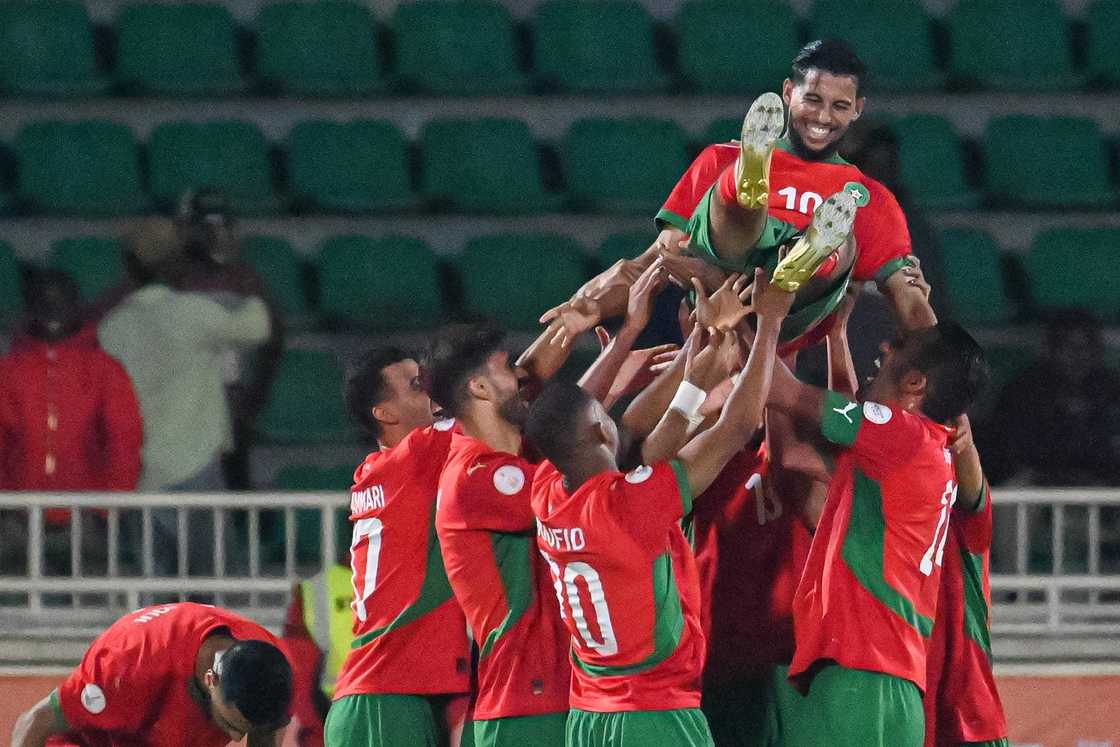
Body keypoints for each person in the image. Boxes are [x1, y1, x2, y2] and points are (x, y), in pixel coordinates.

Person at [524, 267, 795, 747]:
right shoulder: (630, 506)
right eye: (600, 415)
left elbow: (642, 437)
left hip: (589, 717)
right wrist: (769, 323)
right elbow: (736, 427)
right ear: (597, 432)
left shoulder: (549, 490)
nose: (611, 417)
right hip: (652, 719)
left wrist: (701, 349)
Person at [548, 38, 935, 349]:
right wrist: (592, 306)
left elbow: (911, 301)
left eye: (839, 106)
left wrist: (943, 382)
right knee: (732, 203)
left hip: (790, 315)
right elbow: (655, 261)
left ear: (858, 110)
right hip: (718, 306)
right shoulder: (719, 158)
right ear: (788, 92)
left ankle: (796, 258)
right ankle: (750, 188)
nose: (822, 117)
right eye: (813, 99)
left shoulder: (870, 197)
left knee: (842, 237)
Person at [763, 321, 989, 746]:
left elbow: (783, 392)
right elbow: (794, 451)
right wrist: (835, 333)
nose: (886, 344)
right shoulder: (924, 454)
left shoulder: (900, 436)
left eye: (900, 344)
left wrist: (766, 320)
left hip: (856, 675)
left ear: (916, 382)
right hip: (898, 686)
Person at [426, 323, 573, 746]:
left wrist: (607, 337)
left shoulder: (505, 455)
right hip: (525, 703)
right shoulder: (478, 477)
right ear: (480, 388)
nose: (521, 376)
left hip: (545, 697)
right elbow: (582, 476)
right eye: (507, 368)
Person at [324, 347, 471, 747]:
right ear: (385, 414)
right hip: (385, 701)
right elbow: (499, 401)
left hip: (390, 692)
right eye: (416, 386)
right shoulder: (417, 456)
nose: (433, 391)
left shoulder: (381, 471)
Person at [0, 269, 142, 578]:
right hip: (16, 516)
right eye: (44, 304)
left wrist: (108, 507)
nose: (53, 312)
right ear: (30, 310)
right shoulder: (9, 370)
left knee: (91, 616)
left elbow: (124, 440)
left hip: (85, 516)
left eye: (60, 304)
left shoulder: (104, 369)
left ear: (76, 307)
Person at [10, 602, 293, 746]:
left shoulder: (272, 669)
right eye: (230, 724)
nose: (235, 736)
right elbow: (35, 721)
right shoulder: (127, 664)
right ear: (211, 679)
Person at [174, 187, 286, 489]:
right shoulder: (175, 279)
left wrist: (255, 394)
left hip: (230, 399)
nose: (216, 236)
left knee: (234, 483)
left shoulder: (245, 280)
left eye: (223, 227)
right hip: (183, 402)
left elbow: (273, 340)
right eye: (206, 227)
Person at [923, 415, 1010, 747]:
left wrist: (964, 443)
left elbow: (972, 485)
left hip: (968, 720)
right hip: (908, 706)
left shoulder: (964, 522)